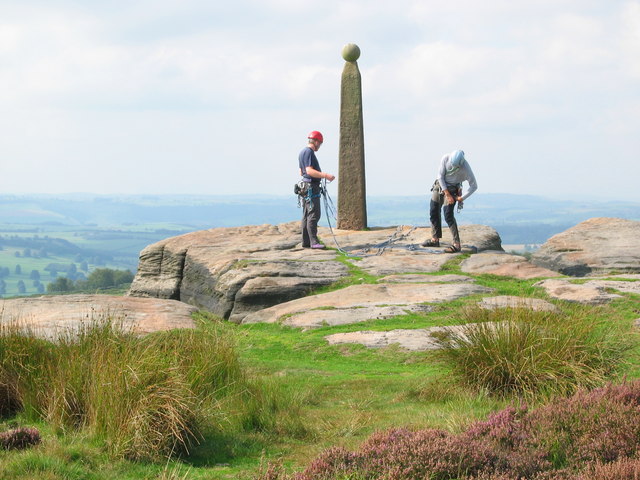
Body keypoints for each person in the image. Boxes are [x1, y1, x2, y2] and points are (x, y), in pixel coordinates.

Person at [422, 149, 477, 253]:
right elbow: (440, 176)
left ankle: (456, 245)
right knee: (434, 210)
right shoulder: (446, 158)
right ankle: (435, 239)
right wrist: (447, 194)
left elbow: (474, 186)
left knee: (448, 215)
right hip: (441, 186)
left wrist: (462, 198)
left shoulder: (466, 168)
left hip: (453, 188)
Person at [298, 131, 335, 249]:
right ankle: (314, 242)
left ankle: (306, 241)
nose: (320, 146)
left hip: (305, 186)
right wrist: (325, 175)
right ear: (317, 141)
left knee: (306, 214)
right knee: (314, 214)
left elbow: (301, 172)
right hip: (311, 187)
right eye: (320, 143)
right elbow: (309, 171)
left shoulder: (302, 152)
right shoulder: (309, 152)